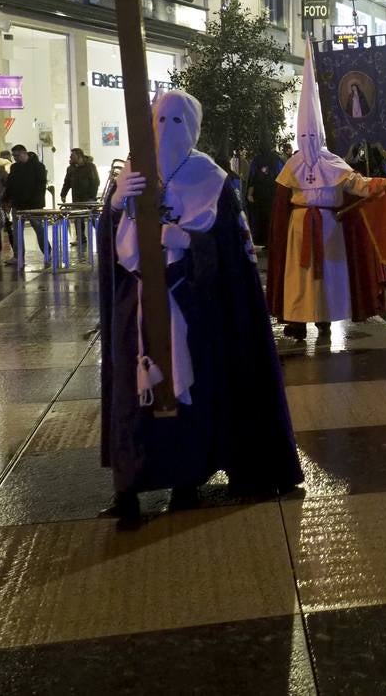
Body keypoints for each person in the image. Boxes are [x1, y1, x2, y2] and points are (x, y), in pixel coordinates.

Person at [101, 89, 303, 528]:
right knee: (134, 396)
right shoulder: (133, 172)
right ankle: (129, 488)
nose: (165, 129)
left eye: (177, 121)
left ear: (193, 127)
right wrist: (114, 205)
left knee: (187, 397)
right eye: (159, 119)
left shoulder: (213, 179)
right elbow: (111, 249)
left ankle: (185, 481)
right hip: (134, 308)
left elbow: (235, 254)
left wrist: (191, 242)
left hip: (191, 308)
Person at [266, 49, 386, 342]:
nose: (309, 142)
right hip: (299, 229)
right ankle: (298, 320)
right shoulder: (292, 165)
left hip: (330, 227)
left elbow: (360, 186)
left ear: (322, 137)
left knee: (328, 276)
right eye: (305, 136)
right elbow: (280, 206)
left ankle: (325, 317)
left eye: (314, 136)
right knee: (298, 278)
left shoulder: (334, 163)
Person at [4, 143, 48, 261]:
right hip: (18, 204)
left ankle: (48, 253)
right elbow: (10, 184)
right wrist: (7, 200)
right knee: (17, 231)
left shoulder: (38, 166)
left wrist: (35, 202)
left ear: (24, 153)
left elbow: (40, 186)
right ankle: (18, 256)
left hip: (34, 205)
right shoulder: (14, 168)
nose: (15, 158)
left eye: (17, 155)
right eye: (14, 156)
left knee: (39, 229)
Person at [60, 148, 101, 252]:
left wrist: (92, 196)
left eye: (72, 156)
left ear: (79, 156)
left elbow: (95, 181)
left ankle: (102, 235)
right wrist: (63, 194)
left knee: (92, 218)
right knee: (78, 219)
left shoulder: (90, 167)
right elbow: (67, 182)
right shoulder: (71, 169)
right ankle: (81, 238)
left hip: (88, 198)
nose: (70, 158)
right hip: (77, 198)